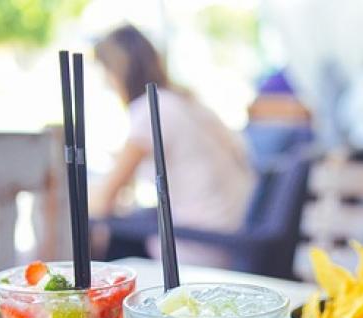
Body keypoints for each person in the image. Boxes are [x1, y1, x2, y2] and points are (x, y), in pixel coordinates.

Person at [90, 24, 255, 268]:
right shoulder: (184, 100)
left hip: (197, 246)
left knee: (105, 238)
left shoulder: (152, 110)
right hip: (234, 235)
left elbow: (104, 201)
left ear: (116, 72)